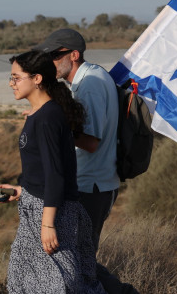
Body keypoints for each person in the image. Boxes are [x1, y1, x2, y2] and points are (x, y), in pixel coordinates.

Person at [0, 50, 105, 294]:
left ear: (37, 79)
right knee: (27, 280)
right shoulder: (38, 114)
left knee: (59, 283)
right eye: (11, 78)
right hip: (37, 208)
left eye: (16, 77)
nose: (11, 83)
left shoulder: (48, 116)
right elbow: (42, 170)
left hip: (52, 213)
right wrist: (21, 190)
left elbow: (56, 175)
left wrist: (48, 225)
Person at [33, 28, 119, 255]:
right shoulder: (85, 79)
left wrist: (53, 128)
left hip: (91, 187)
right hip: (88, 184)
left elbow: (91, 142)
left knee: (79, 260)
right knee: (77, 259)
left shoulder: (90, 84)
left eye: (54, 56)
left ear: (74, 55)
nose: (50, 62)